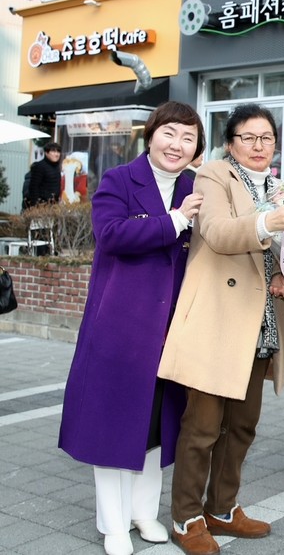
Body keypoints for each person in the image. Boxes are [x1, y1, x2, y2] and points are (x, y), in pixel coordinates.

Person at [157, 103, 284, 555]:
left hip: (260, 322)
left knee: (242, 426)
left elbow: (279, 252)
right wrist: (267, 222)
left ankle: (221, 509)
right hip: (219, 318)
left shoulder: (282, 186)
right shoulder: (214, 175)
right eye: (248, 137)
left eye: (267, 138)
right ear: (230, 143)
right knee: (202, 426)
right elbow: (219, 233)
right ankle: (186, 517)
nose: (259, 146)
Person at [58, 102, 205, 555]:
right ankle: (114, 522)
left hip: (171, 327)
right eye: (170, 133)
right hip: (121, 326)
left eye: (188, 138)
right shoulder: (119, 180)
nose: (177, 145)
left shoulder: (194, 186)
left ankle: (143, 512)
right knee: (113, 424)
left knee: (157, 425)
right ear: (151, 135)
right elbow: (112, 235)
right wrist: (176, 219)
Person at [26, 141, 62, 206]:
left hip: (54, 205)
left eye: (58, 152)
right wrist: (36, 206)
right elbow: (33, 187)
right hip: (42, 205)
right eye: (53, 151)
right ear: (46, 153)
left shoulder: (57, 167)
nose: (56, 154)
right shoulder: (40, 166)